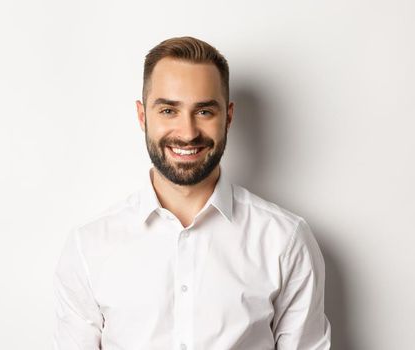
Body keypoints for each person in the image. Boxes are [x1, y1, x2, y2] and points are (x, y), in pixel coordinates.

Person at [52, 36, 331, 349]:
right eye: (169, 111)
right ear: (143, 116)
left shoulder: (284, 240)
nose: (187, 133)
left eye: (204, 112)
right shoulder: (88, 246)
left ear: (228, 116)